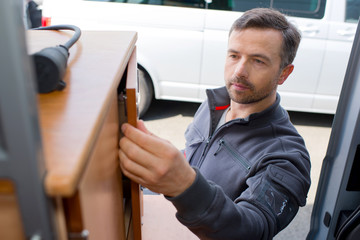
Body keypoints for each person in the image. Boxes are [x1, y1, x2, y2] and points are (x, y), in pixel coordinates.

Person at [119, 8, 311, 240]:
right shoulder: (216, 105)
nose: (239, 71)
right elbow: (197, 154)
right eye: (234, 55)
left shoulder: (286, 157)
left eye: (258, 61)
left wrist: (184, 184)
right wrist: (159, 162)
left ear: (284, 74)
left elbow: (252, 230)